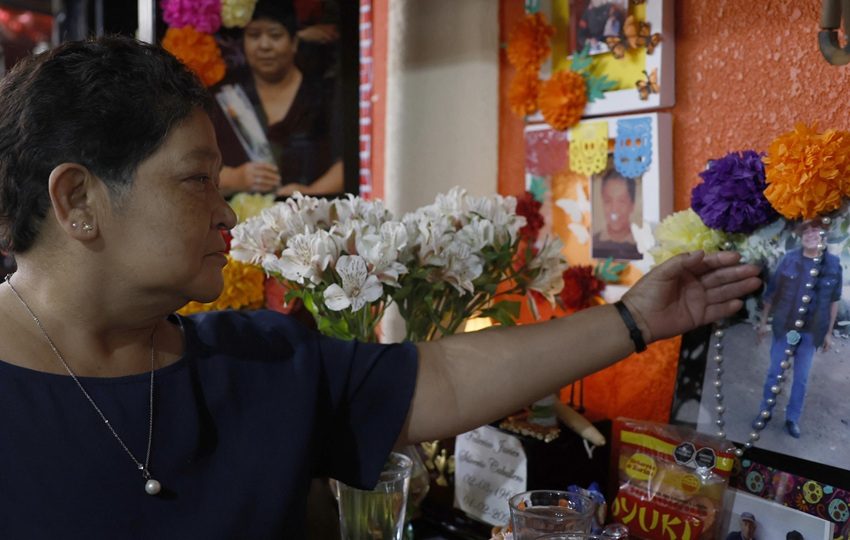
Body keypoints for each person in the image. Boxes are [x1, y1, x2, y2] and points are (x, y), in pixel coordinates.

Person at [0, 35, 761, 537]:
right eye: (197, 179)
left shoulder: (253, 362)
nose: (227, 208)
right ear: (78, 202)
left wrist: (633, 320)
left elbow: (437, 377)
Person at [212, 1, 343, 198]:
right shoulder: (225, 96)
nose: (264, 46)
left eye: (275, 35)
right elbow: (194, 167)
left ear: (294, 43)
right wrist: (235, 179)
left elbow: (349, 160)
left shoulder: (325, 95)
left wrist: (309, 195)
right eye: (254, 35)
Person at [757, 220, 842, 439]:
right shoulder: (789, 259)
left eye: (815, 229)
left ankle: (792, 419)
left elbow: (834, 301)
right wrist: (763, 322)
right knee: (774, 373)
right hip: (784, 329)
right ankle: (764, 412)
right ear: (800, 236)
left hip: (811, 333)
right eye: (806, 230)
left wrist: (828, 334)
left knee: (801, 379)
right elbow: (772, 293)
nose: (810, 233)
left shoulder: (833, 265)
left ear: (823, 235)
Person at [592, 167, 642, 260]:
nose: (614, 209)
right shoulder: (592, 243)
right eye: (608, 201)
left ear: (632, 205)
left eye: (622, 201)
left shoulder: (642, 244)